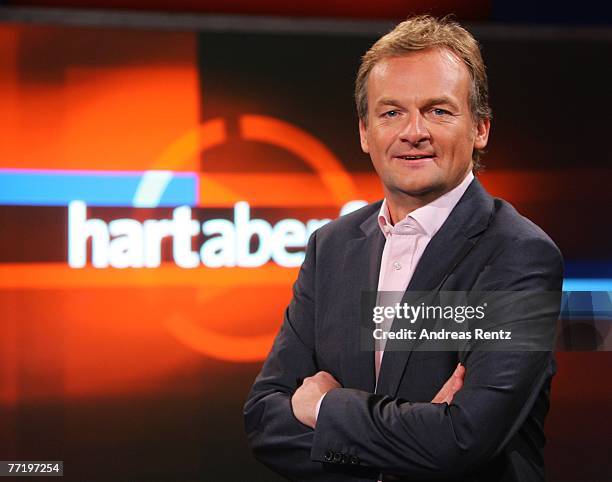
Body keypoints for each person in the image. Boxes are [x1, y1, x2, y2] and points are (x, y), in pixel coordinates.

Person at [244, 15, 563, 482]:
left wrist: (326, 407)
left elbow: (463, 440)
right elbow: (265, 420)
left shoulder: (520, 256)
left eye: (438, 110)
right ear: (364, 132)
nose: (413, 132)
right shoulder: (331, 247)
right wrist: (412, 441)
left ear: (480, 129)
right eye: (391, 112)